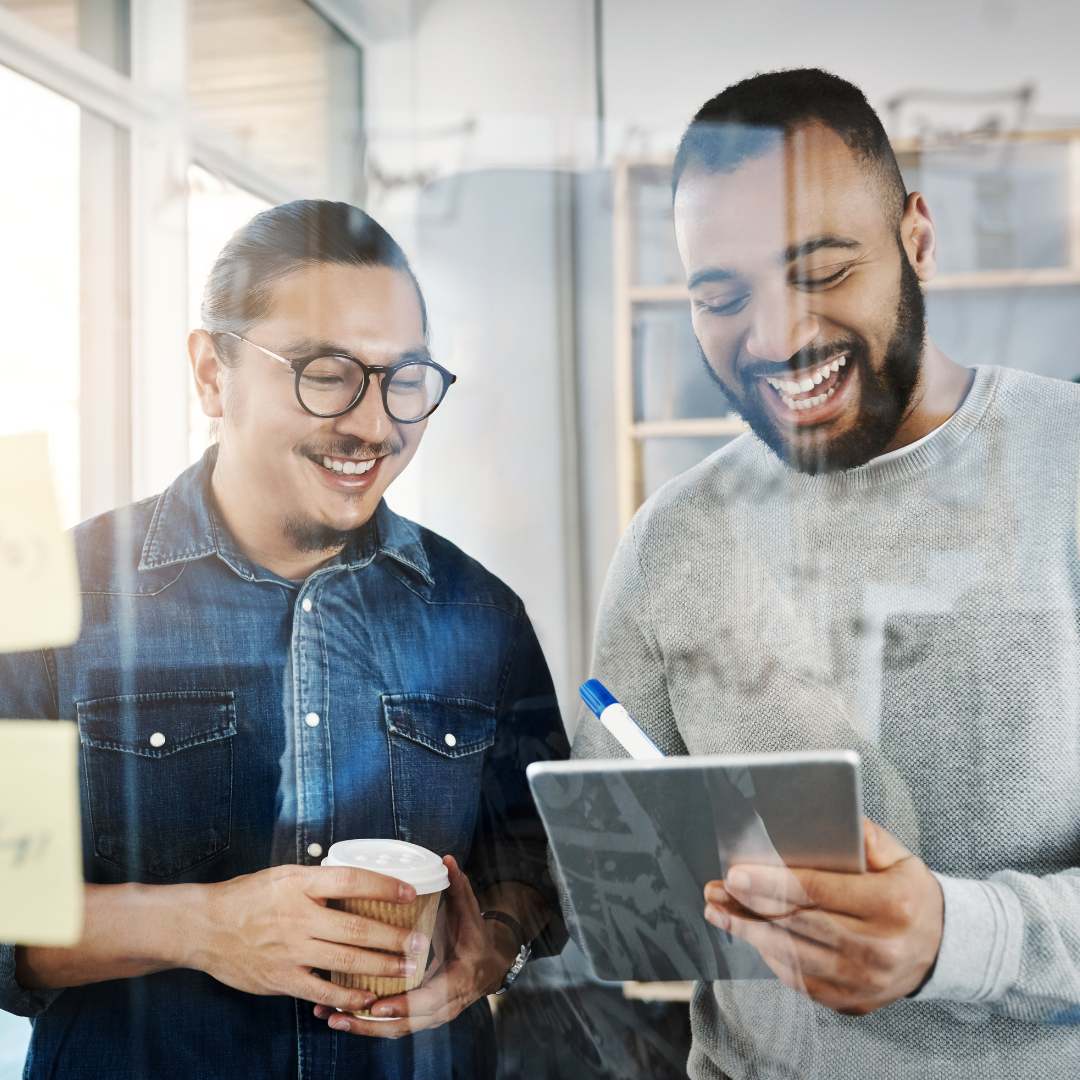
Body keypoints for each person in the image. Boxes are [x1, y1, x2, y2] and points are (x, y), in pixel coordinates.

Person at [572, 68, 1080, 1079]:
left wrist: (953, 936)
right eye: (722, 296)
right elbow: (612, 879)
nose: (775, 338)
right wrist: (505, 910)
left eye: (821, 270)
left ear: (918, 239)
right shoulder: (672, 537)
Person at [0, 200, 568, 1079]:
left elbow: (529, 861)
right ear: (212, 374)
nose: (375, 426)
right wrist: (204, 928)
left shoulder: (480, 613)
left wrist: (480, 957)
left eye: (403, 378)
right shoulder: (51, 596)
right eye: (326, 371)